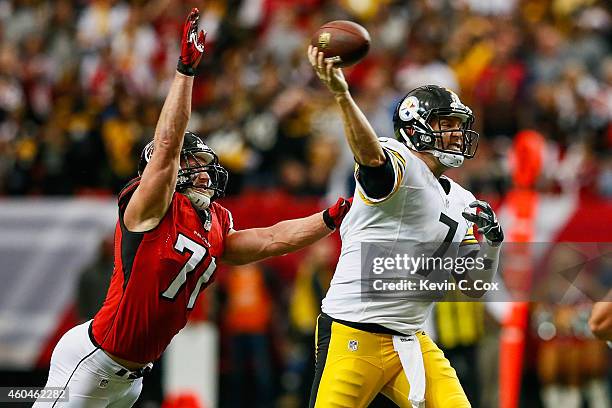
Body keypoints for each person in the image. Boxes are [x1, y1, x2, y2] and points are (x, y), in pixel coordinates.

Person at [34, 11, 351, 407]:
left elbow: (272, 239)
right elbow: (167, 148)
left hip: (131, 377)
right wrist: (185, 70)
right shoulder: (148, 206)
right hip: (90, 361)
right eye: (195, 165)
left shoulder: (214, 222)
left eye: (205, 164)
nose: (205, 173)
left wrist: (331, 218)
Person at [306, 46, 505, 408]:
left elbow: (474, 286)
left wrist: (491, 243)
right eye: (446, 125)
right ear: (416, 129)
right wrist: (343, 95)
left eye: (459, 126)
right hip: (353, 336)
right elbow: (371, 158)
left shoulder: (463, 200)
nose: (457, 134)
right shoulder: (400, 163)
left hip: (412, 341)